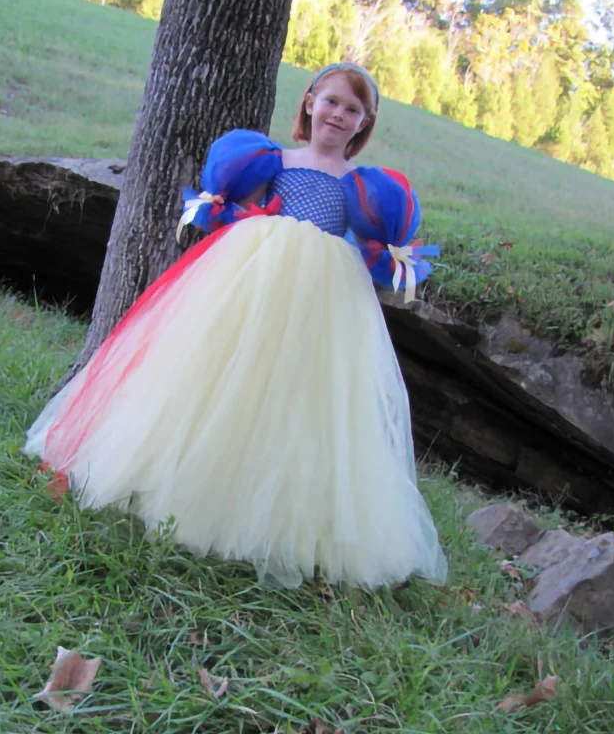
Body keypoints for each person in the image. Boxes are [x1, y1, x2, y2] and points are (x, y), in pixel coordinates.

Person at [24, 63, 448, 590]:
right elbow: (239, 207)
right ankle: (178, 482)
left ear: (365, 123)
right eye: (331, 101)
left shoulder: (362, 186)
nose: (339, 115)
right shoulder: (273, 160)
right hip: (250, 280)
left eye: (353, 109)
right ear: (310, 102)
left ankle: (284, 518)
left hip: (320, 298)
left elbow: (372, 243)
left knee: (301, 396)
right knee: (217, 372)